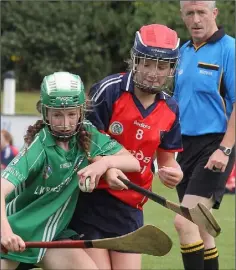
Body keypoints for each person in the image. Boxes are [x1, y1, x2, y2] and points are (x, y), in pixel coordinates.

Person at [69, 24, 184, 270]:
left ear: (172, 68)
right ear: (135, 60)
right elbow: (85, 140)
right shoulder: (109, 91)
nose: (154, 72)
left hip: (131, 205)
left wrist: (173, 172)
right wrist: (107, 169)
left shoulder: (171, 108)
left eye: (162, 66)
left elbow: (166, 159)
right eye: (147, 63)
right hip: (94, 200)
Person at [0, 71, 140, 270]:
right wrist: (6, 233)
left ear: (81, 111)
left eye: (72, 114)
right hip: (14, 234)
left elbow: (133, 162)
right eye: (57, 115)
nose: (65, 124)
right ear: (46, 112)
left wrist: (104, 164)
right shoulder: (38, 148)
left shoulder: (87, 134)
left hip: (51, 238)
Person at [173, 1, 235, 270]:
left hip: (215, 147)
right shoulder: (181, 52)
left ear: (214, 13)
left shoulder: (230, 49)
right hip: (183, 149)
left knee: (184, 220)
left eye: (201, 13)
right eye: (190, 13)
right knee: (202, 232)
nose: (195, 19)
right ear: (182, 15)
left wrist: (226, 149)